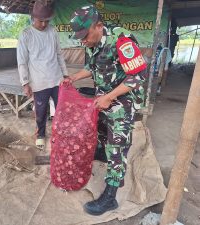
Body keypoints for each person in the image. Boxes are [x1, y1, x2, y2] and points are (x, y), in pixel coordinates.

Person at [63, 5, 148, 216]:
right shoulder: (92, 42)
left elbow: (137, 78)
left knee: (117, 146)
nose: (82, 40)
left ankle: (110, 198)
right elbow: (91, 67)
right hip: (103, 99)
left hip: (122, 101)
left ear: (99, 26)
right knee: (101, 132)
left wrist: (109, 97)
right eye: (79, 37)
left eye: (84, 35)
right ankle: (104, 152)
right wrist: (73, 78)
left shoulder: (122, 41)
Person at [17, 0, 68, 150]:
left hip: (57, 79)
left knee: (61, 109)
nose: (44, 24)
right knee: (40, 112)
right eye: (41, 21)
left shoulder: (53, 31)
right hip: (39, 82)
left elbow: (59, 55)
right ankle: (40, 134)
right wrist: (25, 83)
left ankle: (60, 134)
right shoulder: (26, 34)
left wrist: (65, 75)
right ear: (33, 18)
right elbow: (22, 61)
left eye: (47, 21)